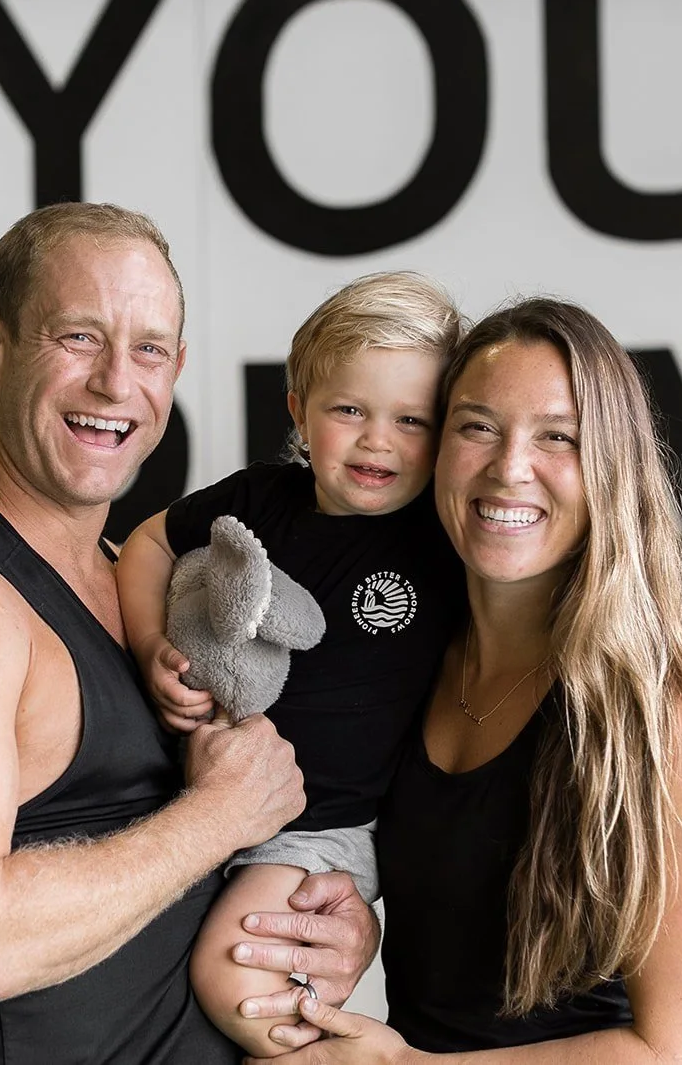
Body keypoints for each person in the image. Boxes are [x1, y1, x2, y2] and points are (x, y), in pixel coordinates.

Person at [0, 202, 378, 1064]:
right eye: (78, 337)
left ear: (176, 369)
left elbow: (174, 877)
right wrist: (217, 817)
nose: (115, 383)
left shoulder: (126, 573)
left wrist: (328, 923)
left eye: (149, 350)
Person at [231, 298, 682, 1062]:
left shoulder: (667, 712)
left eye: (558, 436)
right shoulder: (407, 661)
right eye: (477, 427)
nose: (509, 467)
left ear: (610, 466)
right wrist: (349, 914)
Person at [116, 272, 465, 1057]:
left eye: (412, 420)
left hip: (319, 827)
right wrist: (149, 647)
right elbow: (147, 545)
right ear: (300, 410)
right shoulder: (259, 500)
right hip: (199, 796)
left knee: (234, 980)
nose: (378, 440)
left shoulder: (440, 539)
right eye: (350, 410)